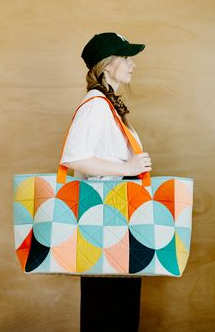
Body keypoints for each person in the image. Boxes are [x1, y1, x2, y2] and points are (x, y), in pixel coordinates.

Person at [60, 32, 152, 332]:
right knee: (110, 308)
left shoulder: (107, 105)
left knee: (119, 307)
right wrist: (127, 166)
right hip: (106, 220)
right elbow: (74, 158)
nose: (132, 64)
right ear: (107, 64)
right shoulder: (96, 105)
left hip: (116, 219)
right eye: (125, 57)